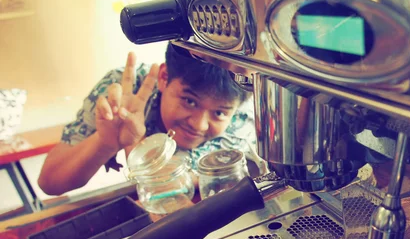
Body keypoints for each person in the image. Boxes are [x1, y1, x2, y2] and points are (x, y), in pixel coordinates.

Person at [38, 43, 255, 196]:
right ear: (163, 77)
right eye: (189, 101)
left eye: (219, 113)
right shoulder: (125, 92)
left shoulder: (245, 118)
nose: (198, 124)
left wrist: (136, 144)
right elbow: (50, 182)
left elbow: (169, 191)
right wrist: (104, 143)